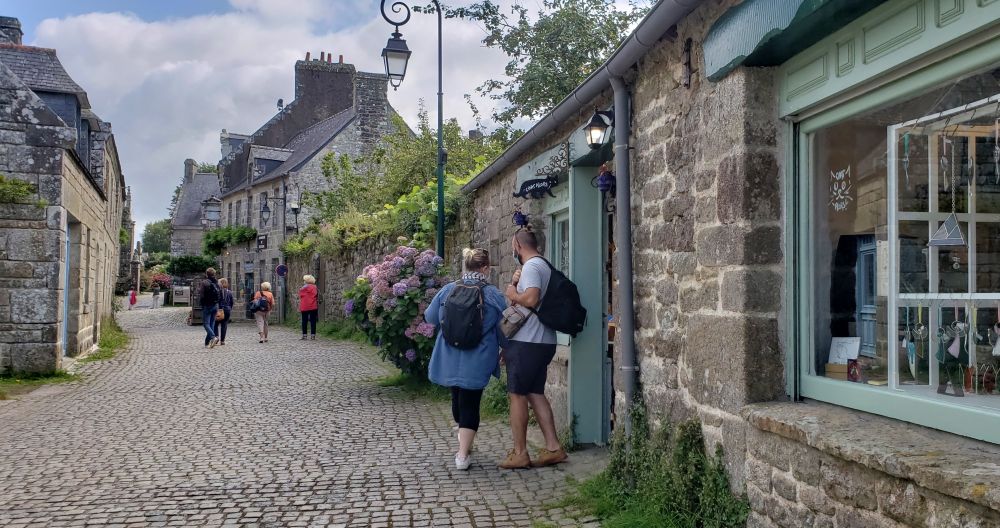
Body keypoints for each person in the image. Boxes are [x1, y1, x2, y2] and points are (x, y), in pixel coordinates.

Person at [425, 248, 506, 470]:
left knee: (457, 400)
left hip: (450, 354)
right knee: (471, 402)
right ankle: (462, 455)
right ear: (485, 268)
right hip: (479, 356)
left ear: (465, 266)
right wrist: (506, 349)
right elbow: (505, 326)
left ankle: (464, 443)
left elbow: (430, 318)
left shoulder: (448, 290)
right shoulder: (493, 295)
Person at [500, 229, 567, 469]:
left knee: (517, 394)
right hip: (544, 340)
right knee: (534, 392)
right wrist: (516, 286)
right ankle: (553, 448)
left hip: (527, 342)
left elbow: (530, 299)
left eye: (513, 246)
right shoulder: (544, 266)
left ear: (517, 245)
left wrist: (511, 291)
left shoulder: (531, 267)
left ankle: (520, 453)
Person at [200, 268, 222, 348]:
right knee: (211, 324)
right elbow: (220, 295)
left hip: (207, 305)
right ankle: (207, 343)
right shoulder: (217, 283)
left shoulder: (204, 283)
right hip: (215, 305)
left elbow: (202, 295)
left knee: (206, 324)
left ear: (207, 274)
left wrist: (202, 305)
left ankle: (213, 337)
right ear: (214, 274)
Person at [214, 278, 234, 346]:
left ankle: (216, 337)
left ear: (221, 284)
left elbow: (216, 301)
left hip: (219, 310)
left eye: (219, 282)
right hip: (227, 310)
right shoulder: (229, 292)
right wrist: (229, 308)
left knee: (215, 324)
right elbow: (232, 302)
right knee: (224, 325)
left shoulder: (218, 291)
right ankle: (222, 341)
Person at [299, 275, 319, 340]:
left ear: (306, 281)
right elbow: (316, 295)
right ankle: (313, 336)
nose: (304, 281)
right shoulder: (315, 287)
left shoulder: (303, 288)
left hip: (304, 306)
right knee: (313, 321)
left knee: (304, 321)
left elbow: (300, 295)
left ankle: (304, 335)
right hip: (313, 306)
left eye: (304, 280)